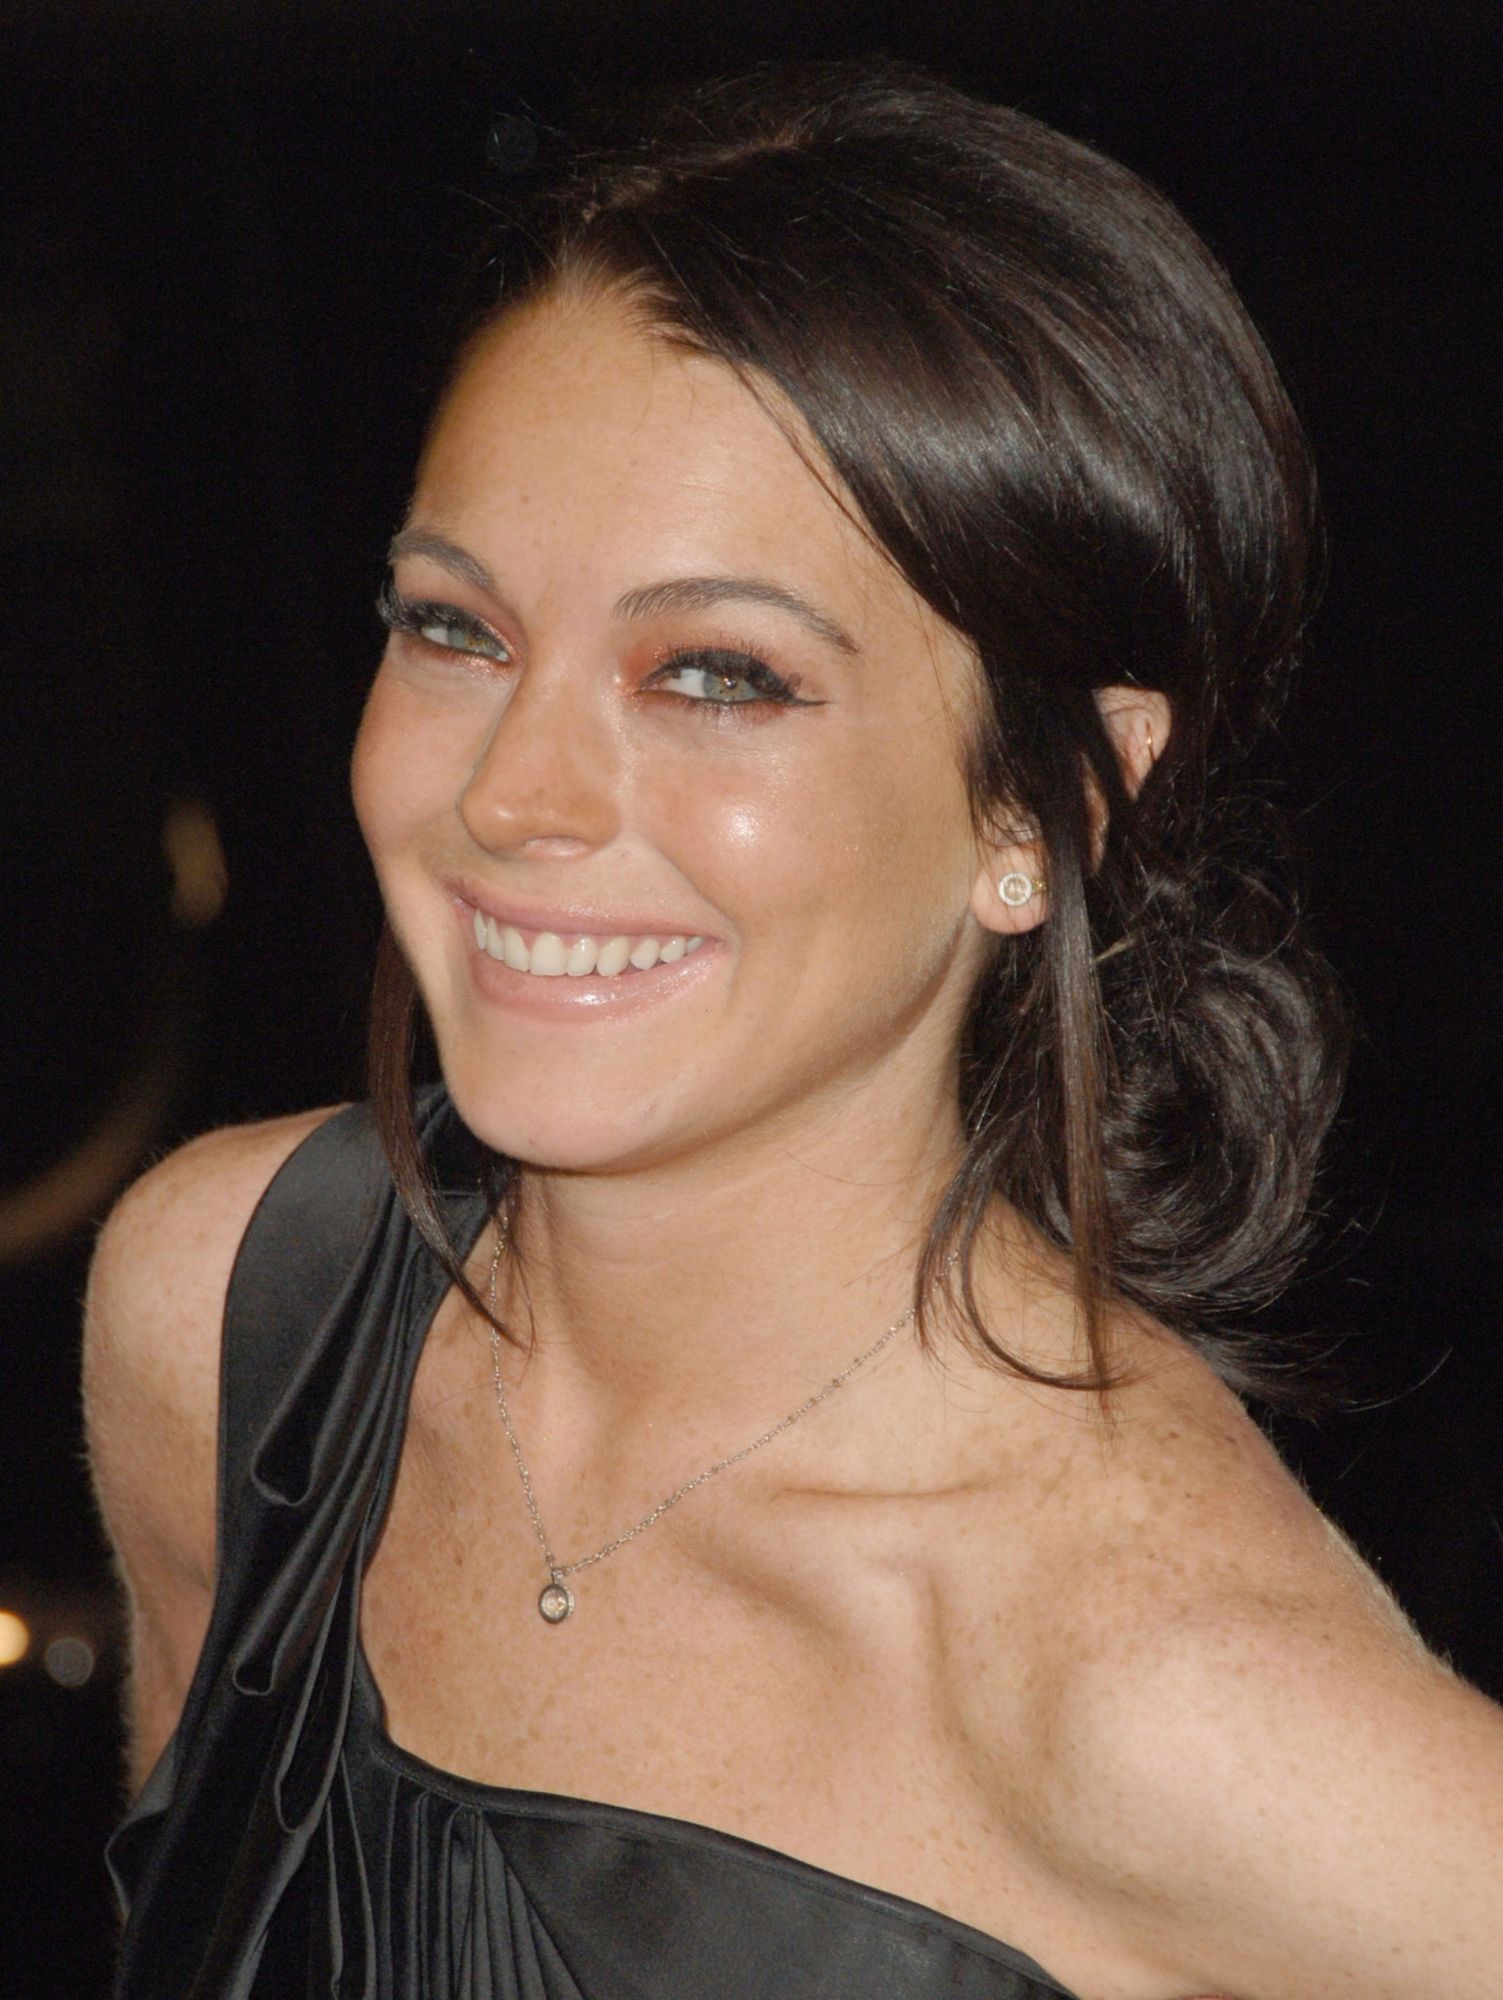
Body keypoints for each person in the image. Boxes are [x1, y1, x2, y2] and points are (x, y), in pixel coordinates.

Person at [84, 58, 1503, 2000]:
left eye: (716, 676)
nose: (513, 792)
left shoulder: (1168, 1700)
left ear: (1046, 810)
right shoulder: (226, 1316)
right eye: (455, 629)